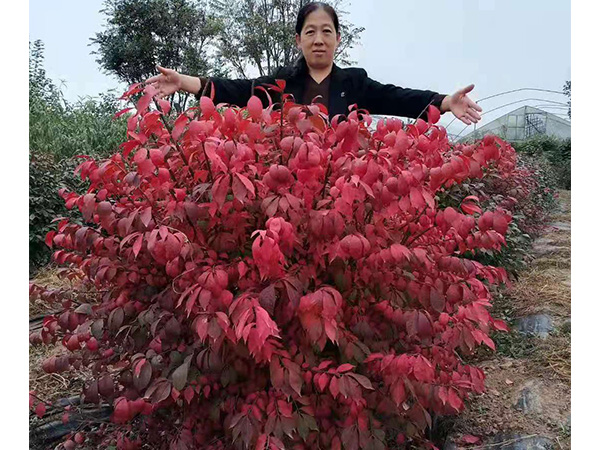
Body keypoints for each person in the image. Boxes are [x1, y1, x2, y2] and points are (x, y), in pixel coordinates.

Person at [146, 2, 482, 125]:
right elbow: (238, 90)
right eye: (310, 32)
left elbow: (397, 98)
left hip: (341, 192)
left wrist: (444, 102)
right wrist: (185, 81)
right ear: (298, 40)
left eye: (326, 31)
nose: (318, 39)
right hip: (288, 190)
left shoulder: (355, 82)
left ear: (338, 39)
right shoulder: (282, 82)